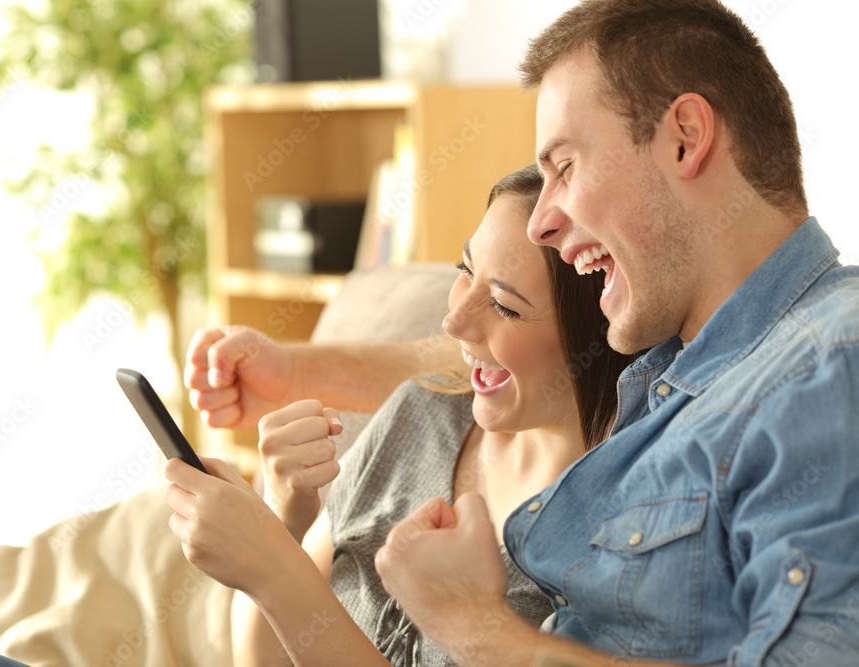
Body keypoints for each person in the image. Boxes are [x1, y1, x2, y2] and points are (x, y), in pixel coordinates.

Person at [191, 1, 859, 664]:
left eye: (565, 166)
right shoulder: (675, 367)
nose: (543, 221)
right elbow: (465, 358)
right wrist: (297, 374)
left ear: (685, 136)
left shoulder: (829, 366)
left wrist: (478, 629)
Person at [166, 164, 634, 666]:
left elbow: (280, 584)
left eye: (504, 306)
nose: (454, 322)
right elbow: (263, 660)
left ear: (596, 341)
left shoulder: (601, 543)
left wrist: (273, 568)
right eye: (465, 271)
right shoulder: (419, 413)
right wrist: (283, 518)